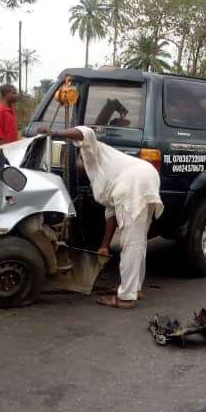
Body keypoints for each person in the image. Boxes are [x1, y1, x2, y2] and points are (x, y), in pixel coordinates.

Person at [39, 125, 163, 308]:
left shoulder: (92, 154)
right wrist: (104, 245)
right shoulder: (101, 175)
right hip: (145, 176)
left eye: (76, 162)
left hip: (134, 182)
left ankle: (126, 298)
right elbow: (111, 215)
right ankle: (134, 288)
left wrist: (55, 133)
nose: (77, 165)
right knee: (138, 241)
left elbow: (86, 132)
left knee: (130, 243)